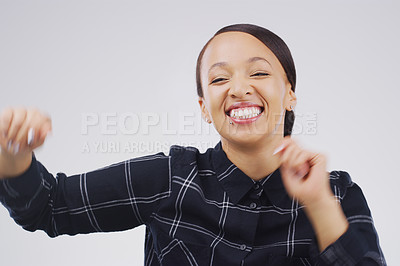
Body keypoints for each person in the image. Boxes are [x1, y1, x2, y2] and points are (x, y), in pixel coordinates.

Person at [0, 24, 385, 265]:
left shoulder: (337, 194)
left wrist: (318, 204)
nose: (238, 89)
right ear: (204, 108)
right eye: (219, 80)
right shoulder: (170, 178)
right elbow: (49, 208)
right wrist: (14, 154)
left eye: (259, 73)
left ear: (290, 95)